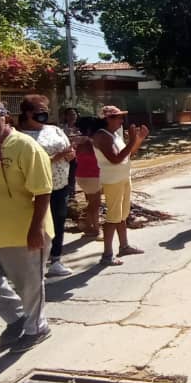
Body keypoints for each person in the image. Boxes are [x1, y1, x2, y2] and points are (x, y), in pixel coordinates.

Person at [0, 98, 54, 350]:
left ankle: (37, 327)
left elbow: (43, 191)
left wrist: (36, 228)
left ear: (6, 118)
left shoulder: (25, 146)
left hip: (24, 233)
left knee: (29, 285)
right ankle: (17, 317)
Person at [18, 95, 75, 277]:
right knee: (38, 224)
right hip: (36, 188)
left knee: (58, 222)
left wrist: (70, 154)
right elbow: (28, 164)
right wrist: (56, 157)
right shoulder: (20, 136)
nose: (44, 113)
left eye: (45, 110)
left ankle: (56, 259)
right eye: (39, 110)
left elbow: (68, 150)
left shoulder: (54, 130)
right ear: (28, 113)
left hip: (60, 184)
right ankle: (34, 262)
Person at [93, 105, 149, 265]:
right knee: (112, 218)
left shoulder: (114, 134)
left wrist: (138, 139)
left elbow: (128, 153)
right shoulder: (102, 136)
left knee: (122, 216)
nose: (121, 120)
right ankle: (107, 254)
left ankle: (124, 246)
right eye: (118, 117)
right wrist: (132, 140)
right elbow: (115, 159)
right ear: (107, 119)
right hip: (113, 181)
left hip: (123, 178)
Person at [73, 117, 103, 237]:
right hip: (92, 176)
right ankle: (94, 229)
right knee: (95, 204)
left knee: (92, 202)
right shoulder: (91, 142)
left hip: (81, 175)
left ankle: (88, 225)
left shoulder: (80, 143)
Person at [61, 106, 80, 198]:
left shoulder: (81, 127)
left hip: (80, 154)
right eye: (69, 114)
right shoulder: (61, 129)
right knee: (69, 173)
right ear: (65, 116)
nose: (72, 116)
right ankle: (70, 193)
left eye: (74, 114)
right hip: (68, 155)